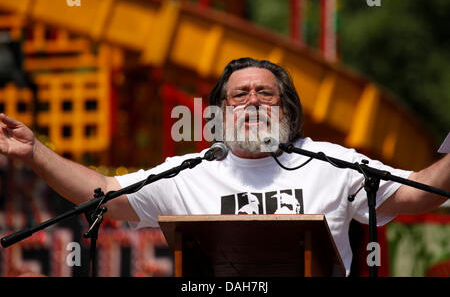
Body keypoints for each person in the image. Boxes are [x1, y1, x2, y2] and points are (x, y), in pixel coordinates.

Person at [0, 57, 449, 276]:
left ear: (286, 108)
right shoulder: (189, 172)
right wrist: (34, 151)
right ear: (218, 113)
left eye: (266, 93)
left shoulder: (333, 164)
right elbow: (101, 192)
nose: (252, 101)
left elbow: (422, 193)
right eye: (239, 95)